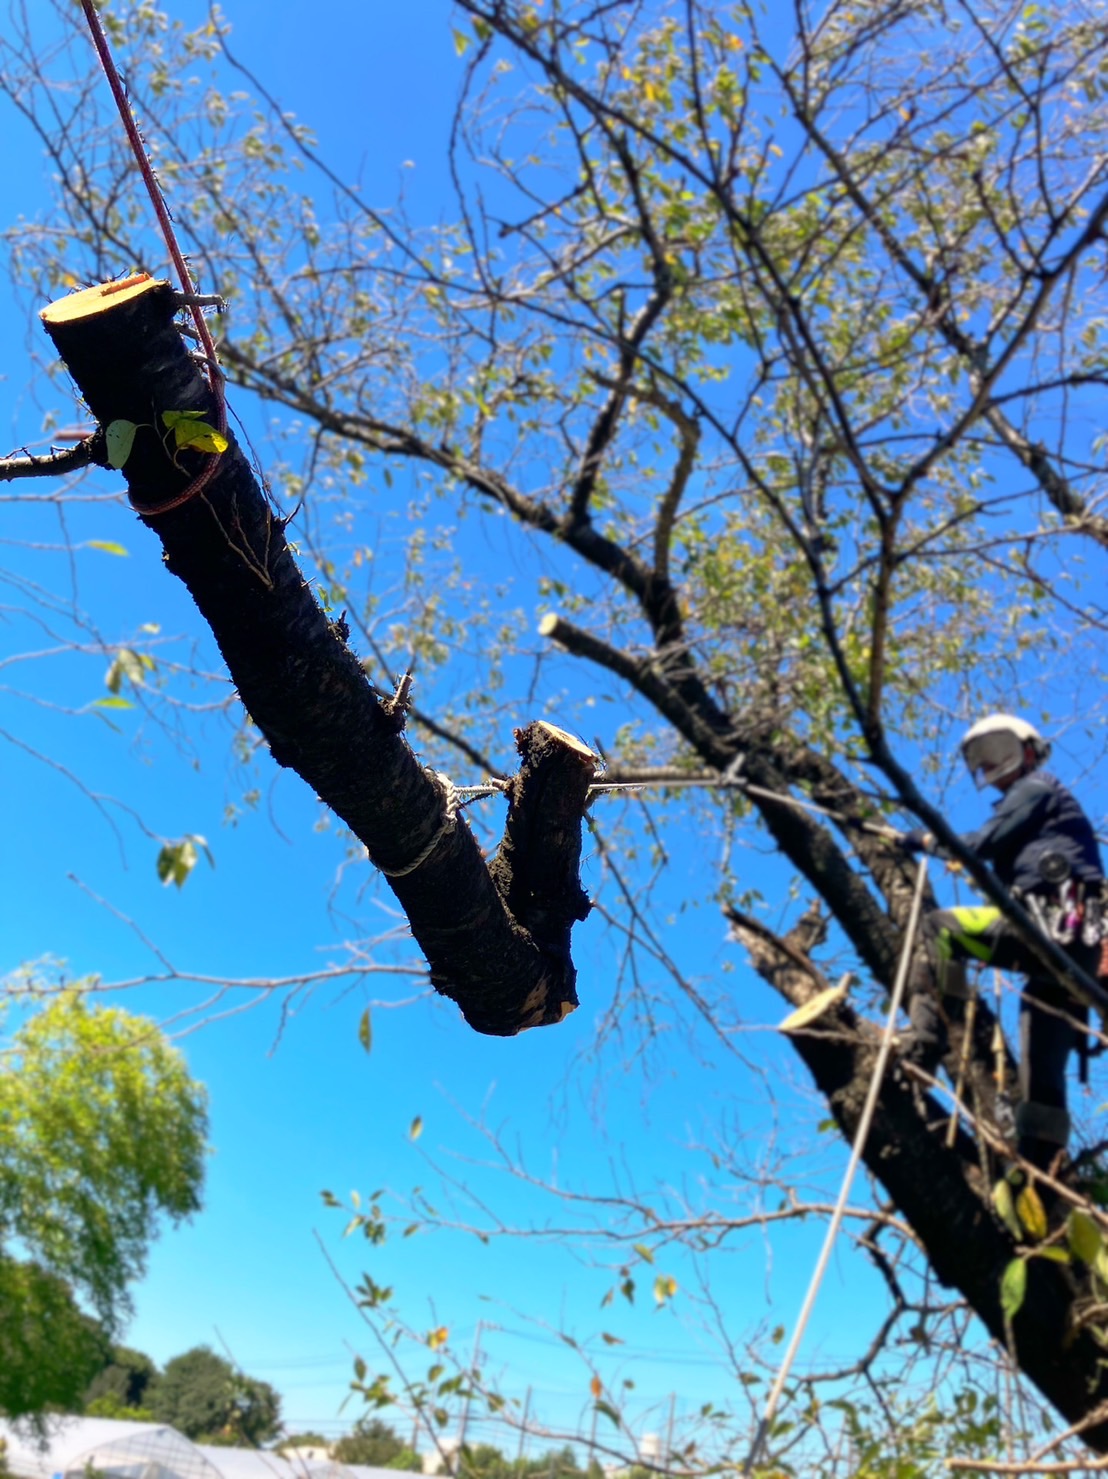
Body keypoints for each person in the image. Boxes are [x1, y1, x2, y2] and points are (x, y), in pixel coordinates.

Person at [901, 714, 1104, 1171]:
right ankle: (1042, 1170)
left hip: (1059, 921)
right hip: (1068, 947)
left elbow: (982, 843)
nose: (994, 765)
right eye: (984, 759)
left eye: (1001, 750)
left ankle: (928, 1038)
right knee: (1042, 1074)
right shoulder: (1040, 812)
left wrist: (924, 840)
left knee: (942, 927)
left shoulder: (1038, 789)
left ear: (1030, 751)